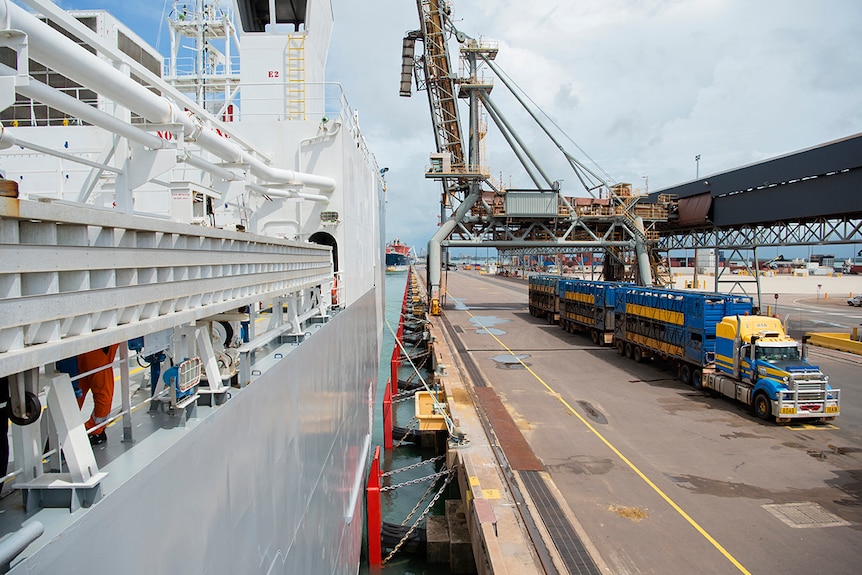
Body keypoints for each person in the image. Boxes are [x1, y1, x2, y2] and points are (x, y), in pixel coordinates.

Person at [76, 345, 120, 445]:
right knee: (103, 394)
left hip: (81, 351)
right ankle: (94, 431)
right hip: (98, 350)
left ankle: (62, 429)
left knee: (75, 392)